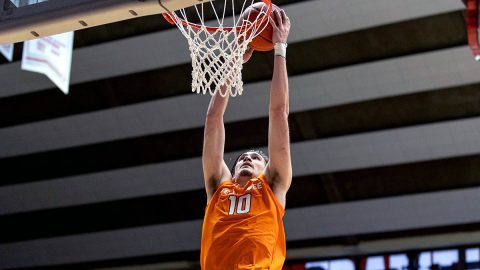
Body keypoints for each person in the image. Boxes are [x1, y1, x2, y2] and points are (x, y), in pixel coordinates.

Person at [200, 6, 292, 270]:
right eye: (242, 158)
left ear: (267, 168)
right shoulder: (218, 187)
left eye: (254, 157)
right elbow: (213, 121)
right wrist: (233, 61)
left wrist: (279, 49)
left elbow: (278, 113)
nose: (247, 159)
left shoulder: (273, 185)